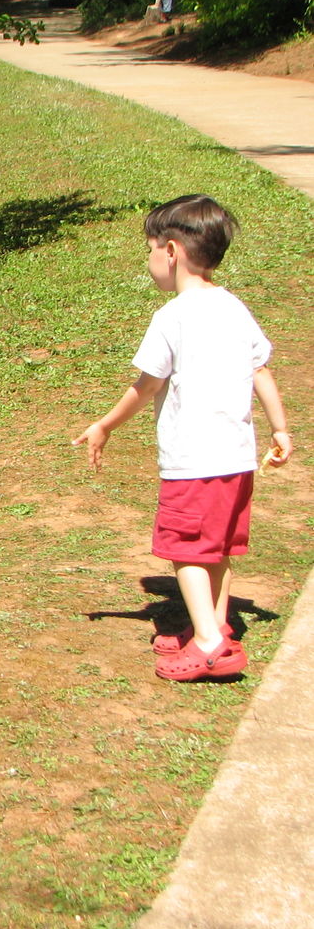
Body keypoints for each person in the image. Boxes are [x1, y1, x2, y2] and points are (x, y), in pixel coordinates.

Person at [72, 195, 292, 681]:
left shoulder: (172, 316)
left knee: (186, 550)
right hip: (237, 459)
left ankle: (211, 645)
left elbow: (147, 384)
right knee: (216, 549)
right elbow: (261, 369)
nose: (148, 260)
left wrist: (104, 425)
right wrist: (280, 429)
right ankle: (213, 626)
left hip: (194, 460)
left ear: (170, 251)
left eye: (149, 249)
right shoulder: (233, 306)